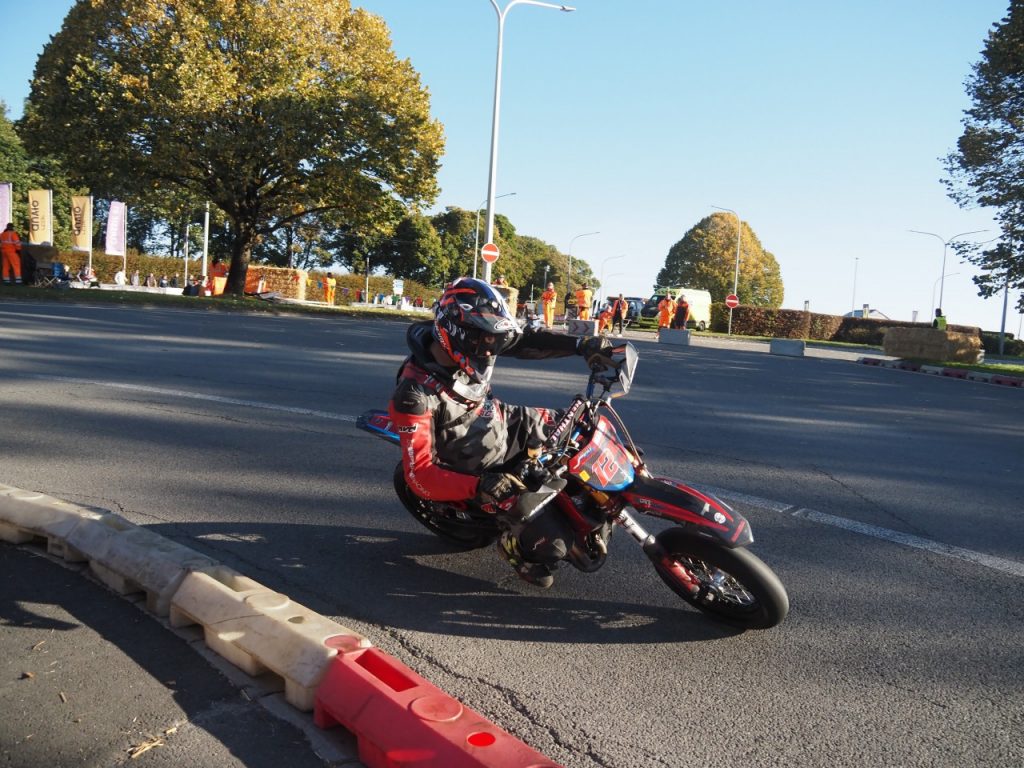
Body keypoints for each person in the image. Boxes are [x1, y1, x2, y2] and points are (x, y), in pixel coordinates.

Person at [389, 277, 616, 588]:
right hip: (471, 461)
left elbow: (524, 342)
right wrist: (482, 485)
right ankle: (513, 548)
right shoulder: (414, 394)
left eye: (494, 338)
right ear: (457, 332)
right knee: (553, 547)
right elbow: (420, 476)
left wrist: (580, 345)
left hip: (503, 421)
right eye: (485, 340)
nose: (492, 347)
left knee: (583, 429)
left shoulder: (477, 339)